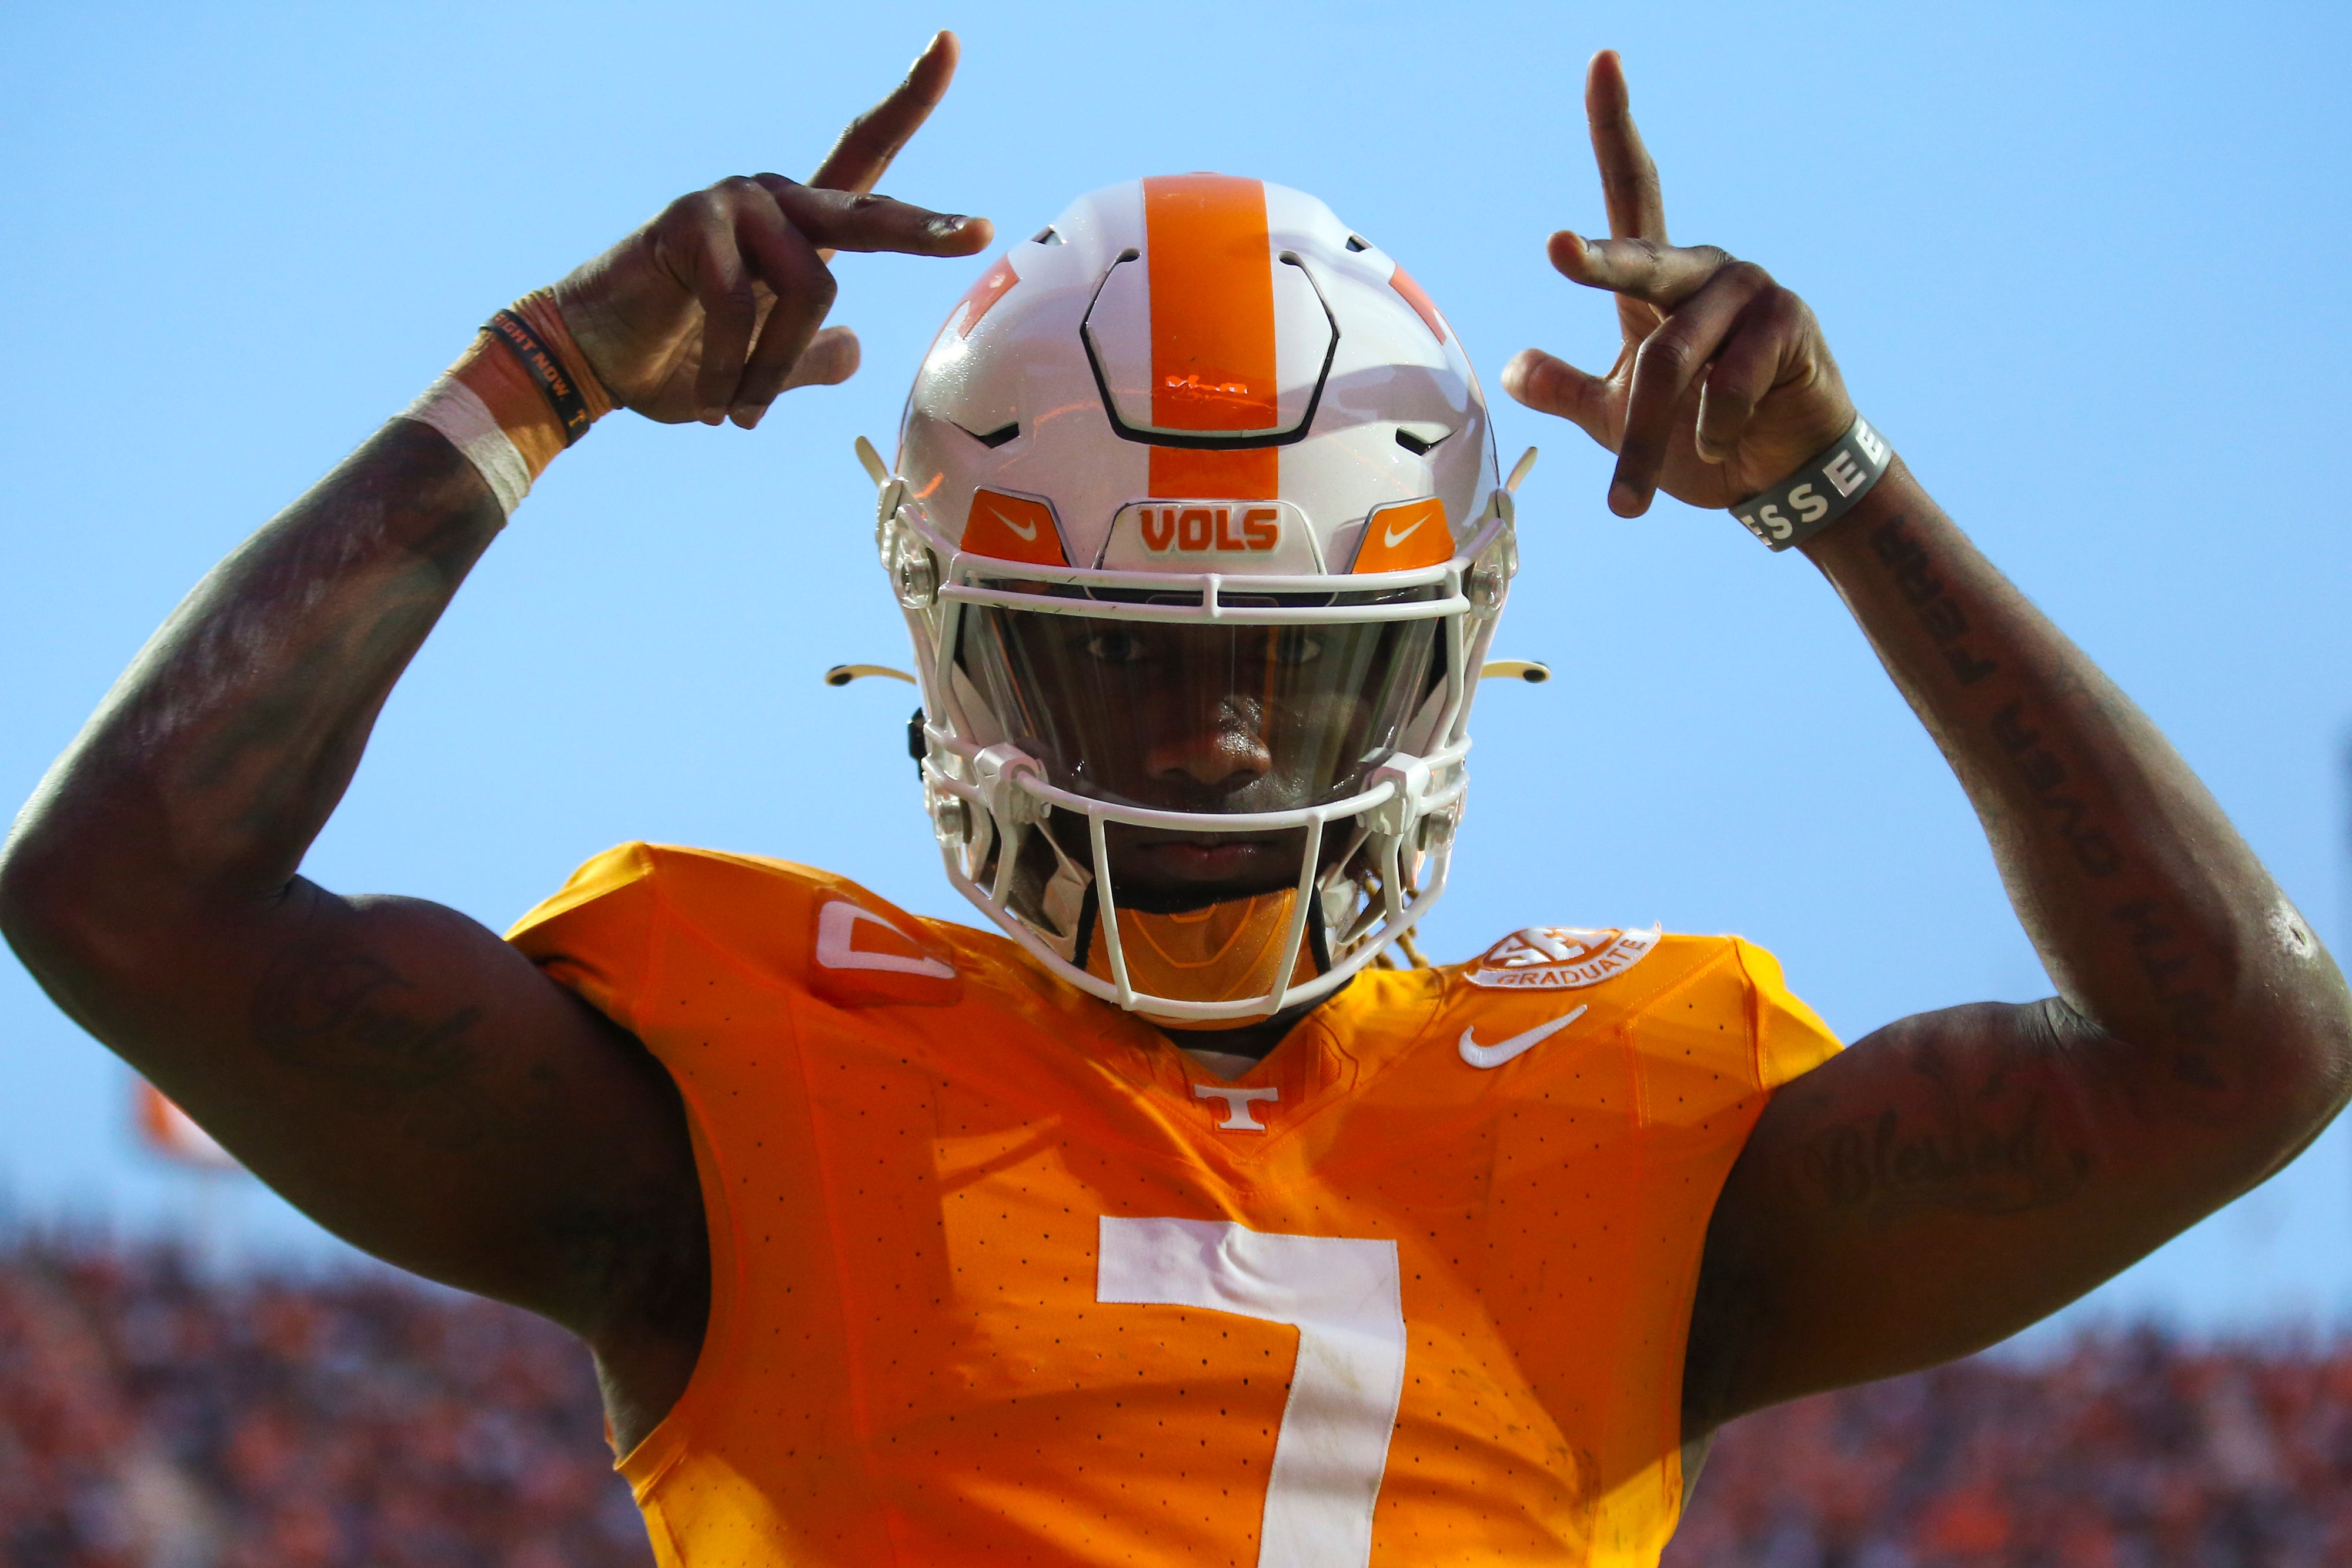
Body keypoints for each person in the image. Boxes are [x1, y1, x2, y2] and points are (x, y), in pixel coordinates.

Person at [2, 31, 2344, 1568]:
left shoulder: (1640, 1112)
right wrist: (535, 376)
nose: (1211, 743)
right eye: (1126, 658)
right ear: (952, 643)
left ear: (1431, 656)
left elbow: (2244, 1052)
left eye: (1280, 672)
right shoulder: (726, 1083)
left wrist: (1839, 482)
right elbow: (117, 892)